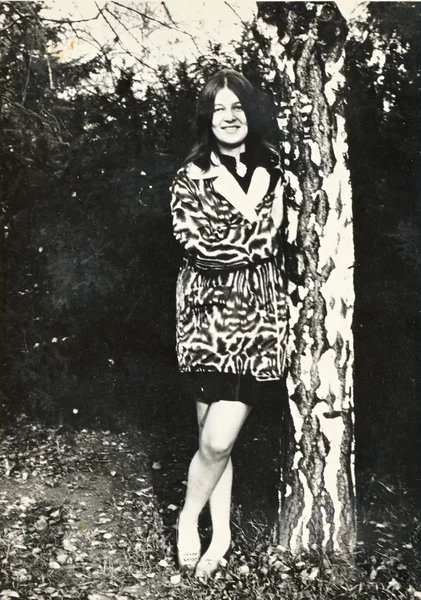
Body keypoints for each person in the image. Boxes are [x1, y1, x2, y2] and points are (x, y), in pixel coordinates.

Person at [169, 69, 288, 578]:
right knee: (210, 441)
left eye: (237, 106)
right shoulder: (188, 177)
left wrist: (246, 240)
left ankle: (186, 516)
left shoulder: (278, 170)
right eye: (219, 108)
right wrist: (262, 237)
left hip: (256, 326)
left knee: (219, 439)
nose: (230, 116)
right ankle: (220, 535)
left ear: (250, 112)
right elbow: (200, 248)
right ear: (207, 118)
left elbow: (287, 236)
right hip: (203, 323)